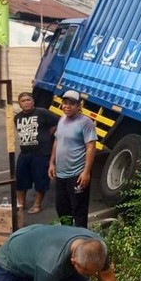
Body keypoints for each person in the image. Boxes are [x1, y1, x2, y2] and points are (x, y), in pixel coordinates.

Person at [0, 224, 119, 281]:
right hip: (13, 262)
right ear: (74, 262)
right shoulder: (50, 267)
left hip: (41, 249)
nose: (91, 277)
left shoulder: (99, 248)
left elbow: (107, 276)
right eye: (87, 273)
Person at [49, 90, 96, 228]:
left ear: (79, 106)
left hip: (77, 175)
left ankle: (81, 241)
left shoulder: (85, 122)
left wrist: (86, 172)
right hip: (61, 174)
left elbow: (91, 147)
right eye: (65, 103)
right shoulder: (62, 120)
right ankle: (67, 236)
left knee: (79, 211)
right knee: (63, 209)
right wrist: (52, 163)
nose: (67, 106)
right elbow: (57, 141)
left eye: (71, 104)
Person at [14, 92, 59, 214]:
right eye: (23, 101)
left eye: (28, 100)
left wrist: (47, 135)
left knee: (41, 181)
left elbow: (56, 122)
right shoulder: (17, 117)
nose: (26, 102)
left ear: (33, 101)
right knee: (20, 180)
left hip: (41, 154)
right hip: (24, 153)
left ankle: (37, 204)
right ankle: (21, 204)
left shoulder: (42, 112)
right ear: (19, 103)